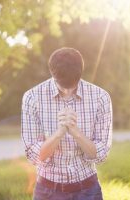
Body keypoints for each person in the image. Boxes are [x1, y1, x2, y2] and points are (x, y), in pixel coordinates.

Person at [21, 47, 113, 200]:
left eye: (73, 85)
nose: (68, 92)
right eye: (62, 85)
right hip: (48, 190)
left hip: (88, 190)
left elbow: (101, 155)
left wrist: (75, 132)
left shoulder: (100, 97)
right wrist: (59, 133)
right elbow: (34, 156)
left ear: (81, 72)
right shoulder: (32, 98)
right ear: (52, 73)